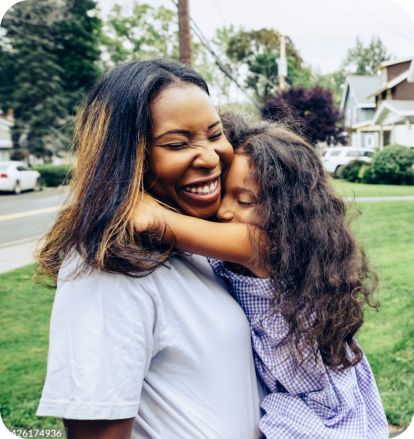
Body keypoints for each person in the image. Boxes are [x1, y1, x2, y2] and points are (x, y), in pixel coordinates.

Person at [35, 60, 265, 439]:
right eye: (177, 144)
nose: (209, 157)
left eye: (214, 134)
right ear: (127, 157)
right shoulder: (108, 268)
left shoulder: (195, 237)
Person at [135, 112, 389, 439]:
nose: (224, 210)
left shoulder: (263, 246)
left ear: (287, 215)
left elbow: (150, 220)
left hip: (318, 417)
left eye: (244, 200)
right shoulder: (244, 244)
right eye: (222, 192)